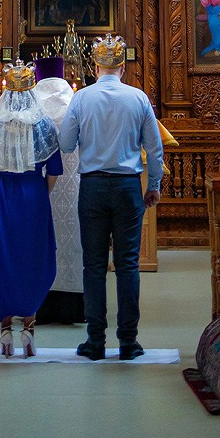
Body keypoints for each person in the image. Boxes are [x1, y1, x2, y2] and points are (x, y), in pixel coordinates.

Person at [59, 34, 163, 361]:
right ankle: (129, 342)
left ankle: (95, 341)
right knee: (128, 265)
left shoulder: (81, 98)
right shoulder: (138, 98)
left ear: (95, 64)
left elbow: (65, 144)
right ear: (123, 65)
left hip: (92, 187)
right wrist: (154, 186)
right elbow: (154, 149)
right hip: (128, 187)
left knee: (93, 266)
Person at [0, 61, 62, 357]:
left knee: (4, 259)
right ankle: (29, 328)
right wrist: (40, 191)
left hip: (2, 195)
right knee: (34, 258)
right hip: (33, 195)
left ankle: (4, 332)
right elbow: (54, 167)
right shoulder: (43, 124)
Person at [33, 56, 84, 325]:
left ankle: (37, 306)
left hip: (37, 188)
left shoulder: (29, 105)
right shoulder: (75, 102)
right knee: (72, 242)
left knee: (40, 244)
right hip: (73, 186)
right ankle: (73, 308)